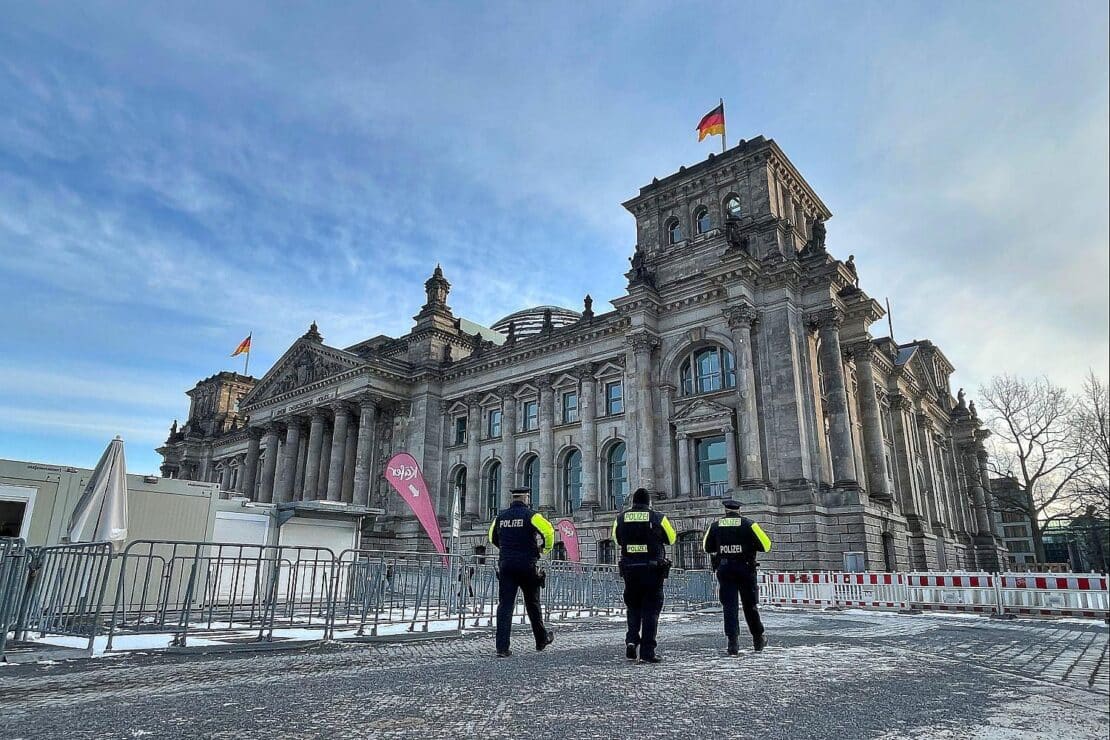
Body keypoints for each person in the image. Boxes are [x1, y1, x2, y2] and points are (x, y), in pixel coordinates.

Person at [488, 487, 556, 657]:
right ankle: (541, 640)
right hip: (527, 565)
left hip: (506, 565)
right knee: (532, 603)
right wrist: (543, 550)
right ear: (526, 498)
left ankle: (502, 648)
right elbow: (549, 531)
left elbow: (491, 537)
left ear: (512, 499)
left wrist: (506, 549)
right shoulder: (532, 515)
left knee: (505, 606)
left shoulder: (500, 517)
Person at [612, 487, 677, 663]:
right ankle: (648, 652)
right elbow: (671, 539)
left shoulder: (620, 518)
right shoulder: (658, 518)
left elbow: (617, 539)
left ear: (633, 501)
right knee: (651, 611)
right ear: (649, 502)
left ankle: (632, 640)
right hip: (652, 571)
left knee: (633, 608)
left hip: (630, 570)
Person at [702, 499, 772, 655]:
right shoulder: (749, 524)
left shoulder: (715, 525)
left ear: (725, 510)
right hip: (746, 568)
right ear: (739, 510)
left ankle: (733, 643)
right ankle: (758, 638)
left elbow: (707, 547)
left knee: (729, 606)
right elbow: (766, 545)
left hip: (725, 568)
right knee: (750, 605)